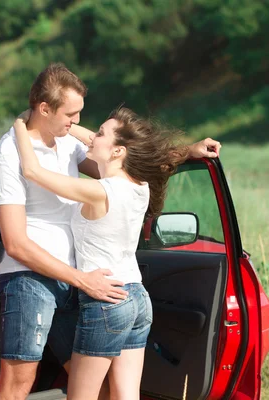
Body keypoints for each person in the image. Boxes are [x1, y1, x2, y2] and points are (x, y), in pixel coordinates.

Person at [12, 106, 221, 400]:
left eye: (99, 133)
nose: (90, 136)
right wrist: (189, 150)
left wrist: (21, 124)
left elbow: (32, 171)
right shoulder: (140, 186)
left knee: (82, 397)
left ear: (117, 151)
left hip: (107, 301)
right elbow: (136, 152)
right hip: (137, 298)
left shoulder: (99, 191)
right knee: (127, 395)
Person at [0, 63, 129, 400]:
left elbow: (116, 161)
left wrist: (187, 152)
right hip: (28, 280)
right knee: (18, 383)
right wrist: (83, 280)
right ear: (44, 108)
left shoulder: (67, 142)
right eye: (71, 113)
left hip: (71, 279)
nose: (78, 122)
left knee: (96, 383)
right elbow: (16, 244)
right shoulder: (9, 154)